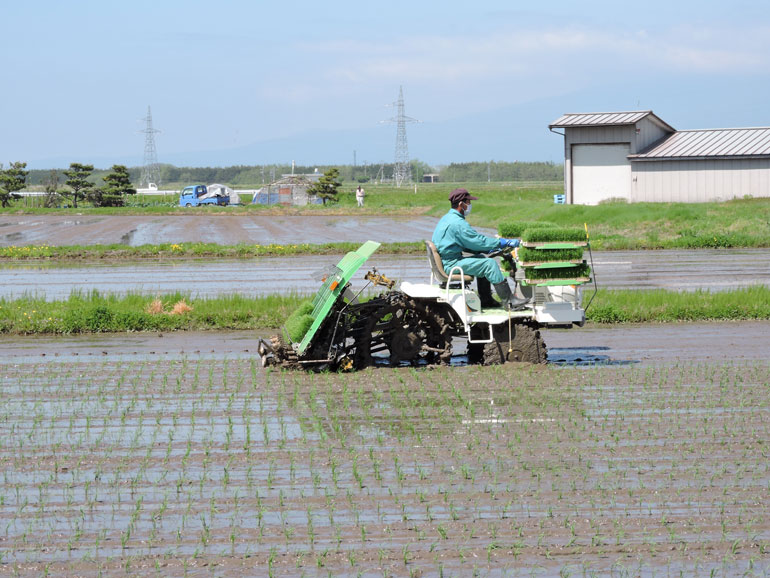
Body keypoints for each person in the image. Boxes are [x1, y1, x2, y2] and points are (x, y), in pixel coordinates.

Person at [431, 188, 529, 310]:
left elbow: (464, 243)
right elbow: (478, 241)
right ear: (461, 204)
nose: (470, 205)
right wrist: (503, 242)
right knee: (490, 264)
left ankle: (486, 299)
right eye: (468, 202)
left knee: (481, 259)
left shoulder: (447, 218)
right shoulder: (457, 223)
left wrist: (485, 250)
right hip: (451, 264)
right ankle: (510, 301)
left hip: (447, 260)